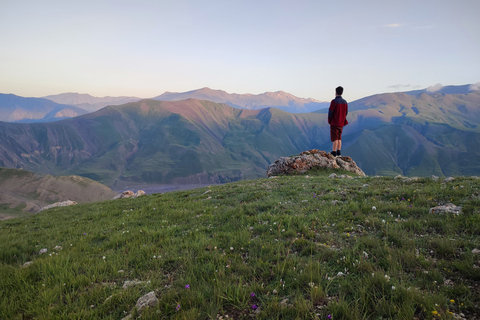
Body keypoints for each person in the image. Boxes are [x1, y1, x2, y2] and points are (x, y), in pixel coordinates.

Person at [328, 86, 348, 157]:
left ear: (336, 92)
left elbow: (330, 112)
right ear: (342, 92)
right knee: (339, 137)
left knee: (335, 137)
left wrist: (330, 120)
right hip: (341, 123)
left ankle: (334, 152)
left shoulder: (334, 102)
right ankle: (339, 152)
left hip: (335, 122)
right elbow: (346, 113)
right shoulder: (345, 102)